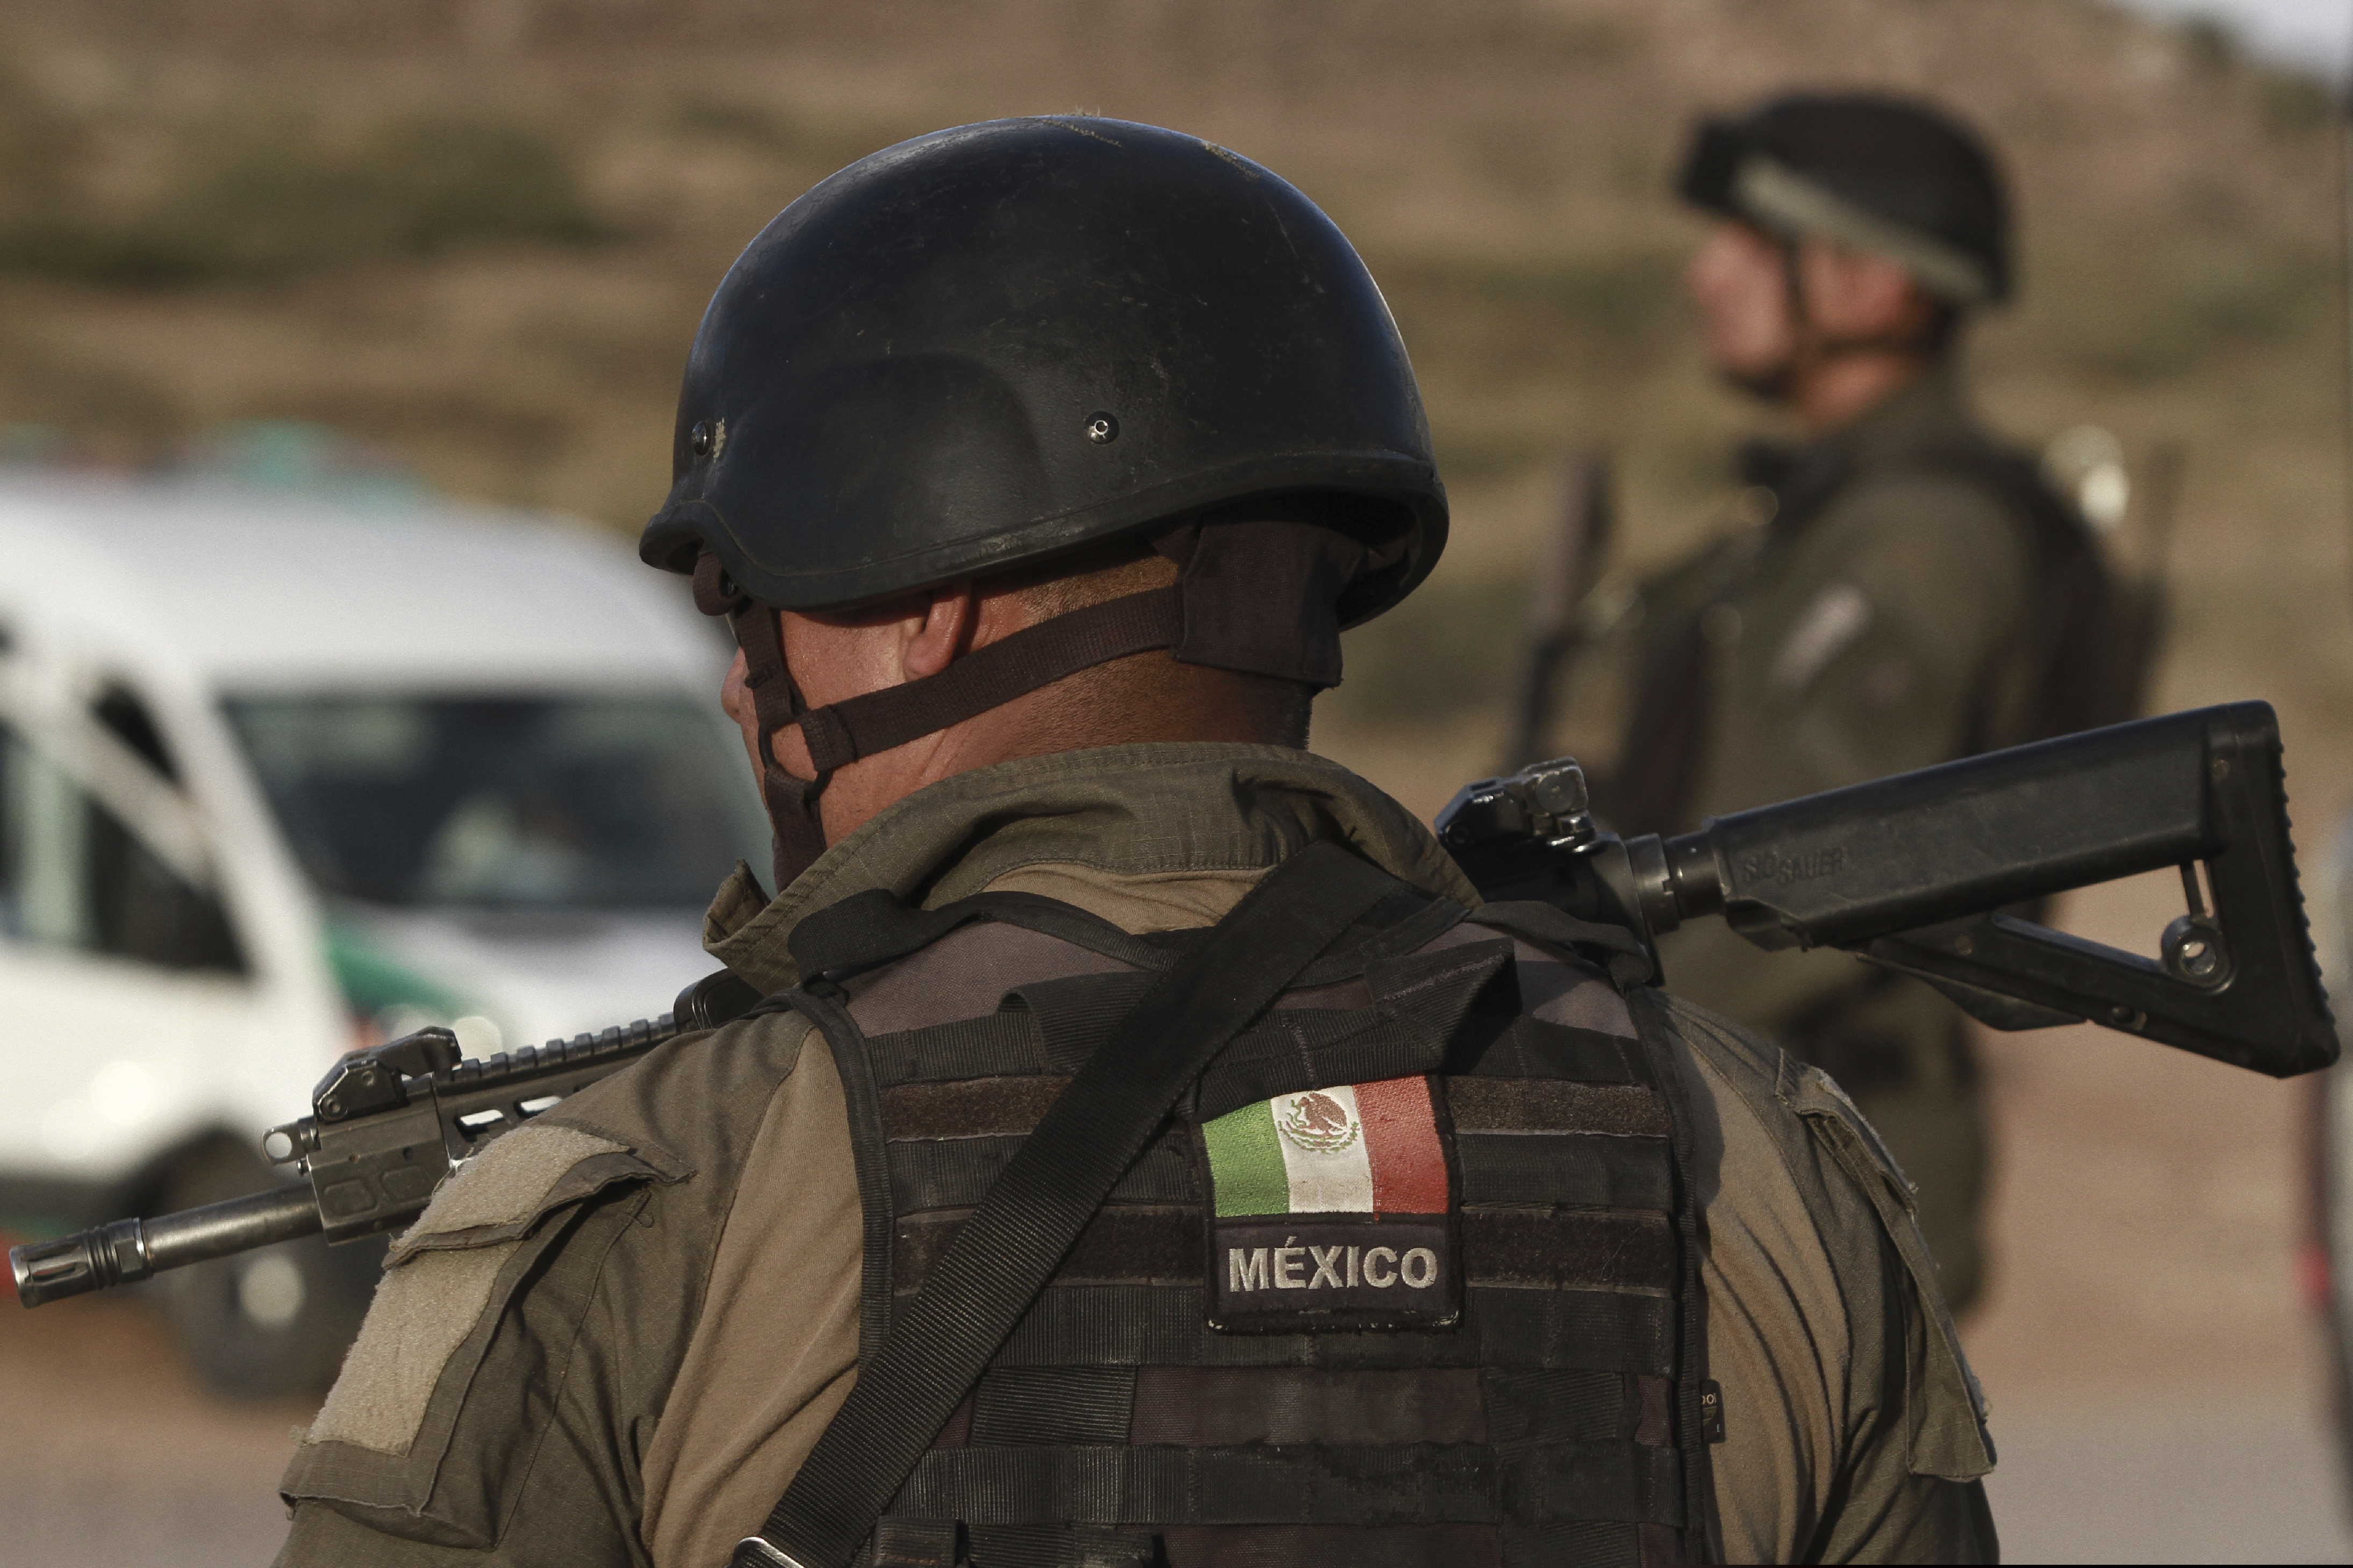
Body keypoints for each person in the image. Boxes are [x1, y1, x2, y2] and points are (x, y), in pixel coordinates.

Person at [273, 116, 1996, 1567]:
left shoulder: (655, 1202)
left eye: (750, 602)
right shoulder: (1771, 1175)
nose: (741, 691)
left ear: (924, 595)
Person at [1594, 93, 2140, 1315]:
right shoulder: (1831, 512)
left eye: (1749, 243)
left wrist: (1553, 1032)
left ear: (1869, 285)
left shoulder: (1914, 538)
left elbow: (1792, 876)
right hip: (1759, 1146)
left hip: (1801, 1169)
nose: (1703, 275)